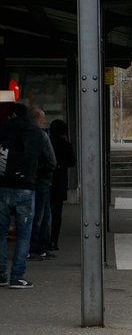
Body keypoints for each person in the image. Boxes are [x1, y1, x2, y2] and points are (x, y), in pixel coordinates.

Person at [0, 103, 47, 289]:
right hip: (26, 188)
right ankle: (17, 276)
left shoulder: (3, 130)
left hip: (2, 186)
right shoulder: (37, 133)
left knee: (1, 233)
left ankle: (1, 274)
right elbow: (48, 160)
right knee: (24, 235)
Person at [28, 107, 56, 260]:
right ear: (36, 119)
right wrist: (47, 171)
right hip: (42, 179)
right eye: (42, 118)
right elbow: (51, 160)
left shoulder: (22, 134)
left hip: (30, 178)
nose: (44, 121)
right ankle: (39, 247)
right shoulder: (42, 135)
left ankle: (36, 247)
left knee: (37, 214)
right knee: (42, 214)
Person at [47, 119, 76, 251]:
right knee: (57, 213)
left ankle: (42, 240)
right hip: (60, 182)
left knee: (42, 212)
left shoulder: (47, 142)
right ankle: (54, 240)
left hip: (45, 181)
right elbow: (72, 162)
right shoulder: (66, 145)